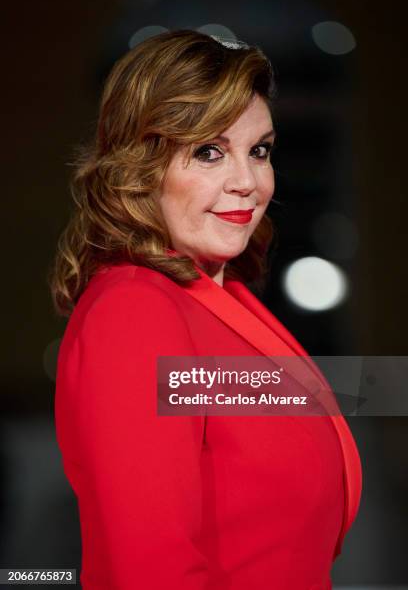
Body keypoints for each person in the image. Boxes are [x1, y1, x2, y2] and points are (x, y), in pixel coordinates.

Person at [49, 29, 362, 590]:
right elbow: (149, 571)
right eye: (208, 152)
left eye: (259, 150)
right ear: (140, 166)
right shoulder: (135, 312)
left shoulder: (222, 302)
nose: (247, 182)